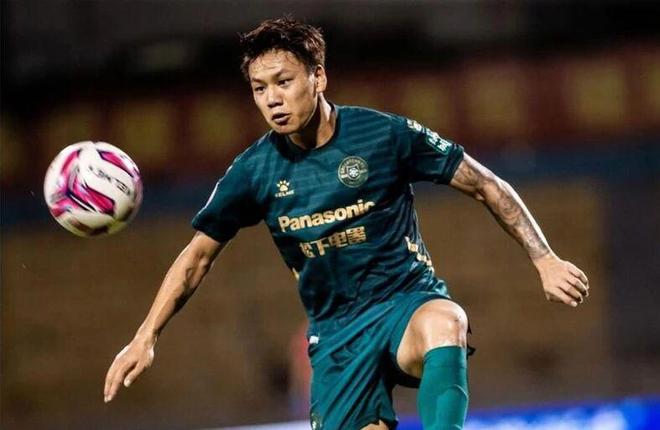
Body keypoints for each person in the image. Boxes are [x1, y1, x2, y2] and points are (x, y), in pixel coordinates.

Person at [103, 17, 590, 430]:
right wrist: (146, 335)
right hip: (336, 337)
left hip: (405, 302)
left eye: (283, 82)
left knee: (447, 322)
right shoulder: (253, 171)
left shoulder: (383, 135)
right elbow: (196, 258)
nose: (272, 99)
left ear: (318, 77)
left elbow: (484, 183)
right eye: (259, 89)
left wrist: (544, 257)